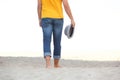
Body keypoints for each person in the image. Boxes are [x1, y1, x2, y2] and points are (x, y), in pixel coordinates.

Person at [37, 0, 75, 68]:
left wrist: (39, 18)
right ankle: (56, 64)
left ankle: (48, 64)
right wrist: (71, 18)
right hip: (58, 18)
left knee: (46, 40)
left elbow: (39, 5)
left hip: (46, 17)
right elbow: (66, 4)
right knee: (57, 41)